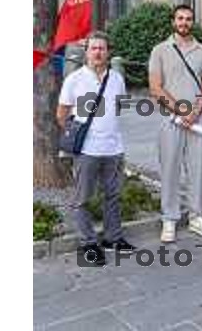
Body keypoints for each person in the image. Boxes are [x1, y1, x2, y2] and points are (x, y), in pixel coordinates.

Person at [56, 31, 135, 267]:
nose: (98, 52)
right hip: (87, 150)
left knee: (113, 196)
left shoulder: (117, 79)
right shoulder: (75, 79)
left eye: (102, 48)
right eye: (94, 48)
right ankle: (88, 243)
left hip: (113, 148)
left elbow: (118, 107)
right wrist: (79, 134)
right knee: (82, 199)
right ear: (86, 52)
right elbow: (61, 114)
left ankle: (113, 238)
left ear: (108, 52)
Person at [148, 4, 202, 243]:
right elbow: (155, 86)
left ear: (192, 22)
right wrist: (181, 110)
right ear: (173, 21)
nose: (184, 22)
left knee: (197, 169)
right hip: (170, 119)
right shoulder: (160, 50)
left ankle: (196, 217)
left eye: (188, 19)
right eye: (180, 18)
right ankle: (170, 218)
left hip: (198, 119)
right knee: (169, 169)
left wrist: (195, 111)